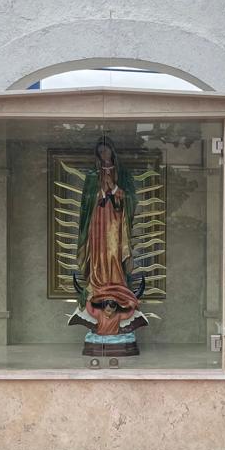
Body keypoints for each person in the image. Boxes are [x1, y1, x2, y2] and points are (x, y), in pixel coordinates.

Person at [68, 137, 147, 356]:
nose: (104, 155)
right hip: (97, 222)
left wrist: (116, 191)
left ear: (112, 152)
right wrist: (99, 194)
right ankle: (97, 284)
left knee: (114, 253)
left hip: (116, 222)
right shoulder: (92, 177)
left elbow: (131, 199)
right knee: (98, 253)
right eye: (100, 152)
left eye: (107, 151)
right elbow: (86, 203)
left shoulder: (123, 175)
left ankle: (117, 283)